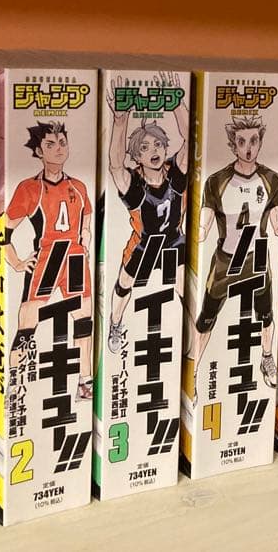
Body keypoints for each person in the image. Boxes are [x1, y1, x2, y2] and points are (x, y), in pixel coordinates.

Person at [192, 115, 278, 390]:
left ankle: (266, 357)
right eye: (242, 142)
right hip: (226, 260)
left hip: (257, 258)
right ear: (233, 145)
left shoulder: (272, 179)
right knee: (206, 319)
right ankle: (194, 371)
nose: (248, 148)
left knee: (266, 314)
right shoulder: (216, 181)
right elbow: (204, 222)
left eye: (254, 140)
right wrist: (198, 232)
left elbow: (277, 220)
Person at [3, 121, 94, 400]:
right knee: (27, 323)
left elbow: (87, 219)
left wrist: (86, 240)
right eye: (50, 144)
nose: (58, 149)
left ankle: (85, 382)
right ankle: (15, 383)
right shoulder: (29, 188)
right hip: (48, 258)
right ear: (39, 151)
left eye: (62, 143)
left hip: (75, 258)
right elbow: (3, 231)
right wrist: (17, 262)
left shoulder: (78, 186)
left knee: (84, 320)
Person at [105, 72, 190, 353]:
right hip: (143, 245)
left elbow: (191, 139)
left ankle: (192, 328)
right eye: (144, 147)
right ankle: (115, 323)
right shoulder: (134, 185)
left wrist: (177, 103)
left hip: (174, 240)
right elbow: (115, 165)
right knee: (124, 285)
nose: (152, 150)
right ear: (136, 156)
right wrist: (120, 121)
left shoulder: (175, 174)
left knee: (184, 284)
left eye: (157, 144)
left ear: (165, 147)